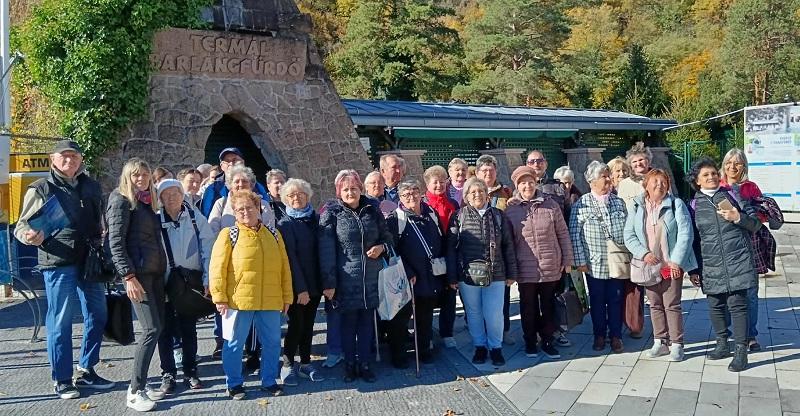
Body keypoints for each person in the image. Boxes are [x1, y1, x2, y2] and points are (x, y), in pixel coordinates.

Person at [14, 140, 114, 400]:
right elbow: (21, 226)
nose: (70, 160)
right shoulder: (41, 188)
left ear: (81, 160)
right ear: (52, 159)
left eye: (75, 156)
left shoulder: (91, 186)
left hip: (89, 259)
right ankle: (62, 379)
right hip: (58, 261)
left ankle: (86, 368)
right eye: (64, 156)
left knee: (98, 314)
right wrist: (29, 235)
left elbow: (100, 218)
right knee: (61, 320)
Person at [209, 189, 293, 399]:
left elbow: (285, 267)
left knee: (273, 343)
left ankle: (269, 380)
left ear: (259, 208)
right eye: (239, 209)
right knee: (234, 344)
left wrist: (287, 296)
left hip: (270, 299)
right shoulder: (228, 235)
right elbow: (217, 268)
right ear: (234, 213)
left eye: (249, 207)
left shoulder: (274, 234)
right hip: (239, 302)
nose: (245, 212)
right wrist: (219, 298)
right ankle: (234, 384)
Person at [686, 158, 761, 372]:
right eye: (705, 175)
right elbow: (693, 240)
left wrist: (738, 217)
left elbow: (755, 225)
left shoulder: (735, 195)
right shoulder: (693, 205)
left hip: (738, 260)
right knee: (715, 305)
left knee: (738, 305)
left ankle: (740, 351)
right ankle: (722, 343)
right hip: (710, 263)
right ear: (697, 182)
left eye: (713, 173)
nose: (711, 177)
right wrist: (694, 269)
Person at [319, 170, 392, 382]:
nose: (350, 192)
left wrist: (381, 247)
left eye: (354, 188)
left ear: (361, 189)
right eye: (346, 189)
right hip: (345, 280)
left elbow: (388, 237)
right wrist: (329, 282)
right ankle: (350, 364)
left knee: (367, 323)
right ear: (339, 192)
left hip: (371, 278)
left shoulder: (372, 210)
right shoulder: (331, 214)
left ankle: (365, 363)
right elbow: (325, 251)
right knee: (348, 325)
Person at [107, 158, 168, 412]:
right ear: (127, 177)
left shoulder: (145, 203)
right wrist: (128, 277)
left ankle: (141, 384)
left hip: (153, 274)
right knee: (151, 329)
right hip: (138, 276)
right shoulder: (121, 201)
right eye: (136, 175)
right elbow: (116, 243)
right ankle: (135, 390)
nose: (141, 179)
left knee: (157, 327)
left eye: (144, 175)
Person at [623, 169, 697, 362]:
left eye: (663, 182)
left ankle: (677, 344)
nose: (659, 185)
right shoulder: (637, 206)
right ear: (645, 185)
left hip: (669, 265)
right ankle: (660, 341)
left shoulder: (676, 204)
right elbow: (628, 235)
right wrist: (643, 253)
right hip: (649, 264)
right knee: (654, 304)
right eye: (655, 181)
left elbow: (685, 234)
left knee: (671, 304)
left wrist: (676, 261)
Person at [208, 164, 276, 370]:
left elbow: (271, 236)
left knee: (263, 333)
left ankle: (256, 359)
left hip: (262, 280)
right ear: (229, 185)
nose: (240, 185)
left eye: (244, 182)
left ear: (252, 185)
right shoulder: (221, 205)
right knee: (233, 337)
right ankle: (234, 379)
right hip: (234, 280)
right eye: (236, 182)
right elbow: (213, 242)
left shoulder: (263, 205)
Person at [446, 177, 518, 367]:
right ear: (467, 196)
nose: (477, 194)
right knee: (474, 312)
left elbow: (508, 246)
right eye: (473, 192)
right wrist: (452, 276)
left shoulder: (498, 216)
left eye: (481, 191)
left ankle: (495, 347)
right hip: (467, 274)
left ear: (487, 195)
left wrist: (512, 273)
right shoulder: (458, 216)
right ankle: (479, 345)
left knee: (494, 313)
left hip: (496, 272)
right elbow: (451, 249)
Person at [505, 166, 573, 360]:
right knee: (528, 307)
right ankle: (529, 341)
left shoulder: (551, 205)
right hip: (525, 267)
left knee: (549, 305)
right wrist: (511, 269)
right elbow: (508, 242)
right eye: (523, 182)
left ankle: (548, 340)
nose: (527, 186)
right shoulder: (511, 210)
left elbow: (563, 233)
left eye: (530, 181)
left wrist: (567, 260)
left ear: (536, 182)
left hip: (551, 263)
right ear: (517, 185)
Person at [154, 179, 214, 392]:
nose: (171, 197)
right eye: (166, 194)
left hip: (189, 283)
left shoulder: (195, 218)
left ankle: (191, 371)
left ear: (182, 195)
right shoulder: (154, 220)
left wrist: (208, 278)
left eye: (175, 193)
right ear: (159, 198)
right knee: (165, 330)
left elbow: (208, 248)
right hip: (163, 284)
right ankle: (168, 373)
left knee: (189, 329)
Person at [569, 161, 628, 354]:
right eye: (604, 176)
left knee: (616, 299)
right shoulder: (581, 204)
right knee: (597, 300)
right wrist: (580, 262)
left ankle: (616, 335)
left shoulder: (618, 202)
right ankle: (599, 335)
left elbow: (628, 231)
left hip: (617, 262)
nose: (608, 180)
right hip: (594, 263)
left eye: (608, 176)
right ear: (591, 182)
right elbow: (574, 235)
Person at [386, 179, 444, 368]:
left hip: (429, 275)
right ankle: (399, 354)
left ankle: (424, 349)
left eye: (414, 192)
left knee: (425, 316)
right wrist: (408, 270)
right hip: (407, 277)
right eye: (406, 194)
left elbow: (439, 240)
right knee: (401, 318)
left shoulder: (431, 213)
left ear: (420, 193)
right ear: (400, 197)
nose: (411, 196)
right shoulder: (396, 218)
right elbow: (392, 249)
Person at [276, 178, 325, 386]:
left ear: (308, 196)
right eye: (291, 195)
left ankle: (305, 363)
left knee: (309, 325)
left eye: (300, 194)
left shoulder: (316, 218)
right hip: (298, 285)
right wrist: (301, 289)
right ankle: (287, 364)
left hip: (316, 282)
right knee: (296, 325)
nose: (296, 198)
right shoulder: (285, 223)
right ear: (285, 199)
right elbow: (290, 258)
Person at [720, 148, 769, 352]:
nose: (733, 166)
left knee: (750, 293)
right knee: (727, 294)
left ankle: (750, 335)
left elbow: (761, 218)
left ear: (744, 166)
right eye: (729, 162)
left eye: (737, 163)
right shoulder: (718, 186)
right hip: (726, 247)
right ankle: (728, 334)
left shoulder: (751, 188)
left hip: (750, 246)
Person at [474, 154, 515, 345]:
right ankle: (481, 332)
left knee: (501, 299)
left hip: (499, 253)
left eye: (491, 170)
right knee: (478, 299)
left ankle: (503, 331)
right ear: (477, 172)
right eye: (484, 170)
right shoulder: (471, 191)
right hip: (477, 255)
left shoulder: (505, 192)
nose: (488, 173)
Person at [614, 142, 653, 340]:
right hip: (631, 240)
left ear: (648, 161)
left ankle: (662, 324)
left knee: (655, 282)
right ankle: (634, 325)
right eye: (635, 161)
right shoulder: (625, 184)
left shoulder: (657, 178)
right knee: (633, 284)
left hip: (654, 238)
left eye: (642, 160)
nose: (638, 163)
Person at [423, 165, 460, 349]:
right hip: (430, 256)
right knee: (428, 298)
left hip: (450, 254)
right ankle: (426, 334)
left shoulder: (453, 203)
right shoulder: (422, 204)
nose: (439, 185)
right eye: (434, 181)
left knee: (449, 295)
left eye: (442, 181)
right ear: (427, 184)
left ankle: (447, 332)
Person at [200, 147, 271, 219]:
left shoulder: (257, 187)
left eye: (235, 160)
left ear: (242, 163)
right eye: (227, 161)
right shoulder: (213, 189)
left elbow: (266, 212)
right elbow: (207, 217)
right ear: (221, 166)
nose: (231, 163)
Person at [525, 150, 568, 215]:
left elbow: (568, 213)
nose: (536, 164)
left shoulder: (559, 187)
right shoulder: (521, 189)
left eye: (540, 161)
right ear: (526, 166)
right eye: (531, 162)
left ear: (546, 164)